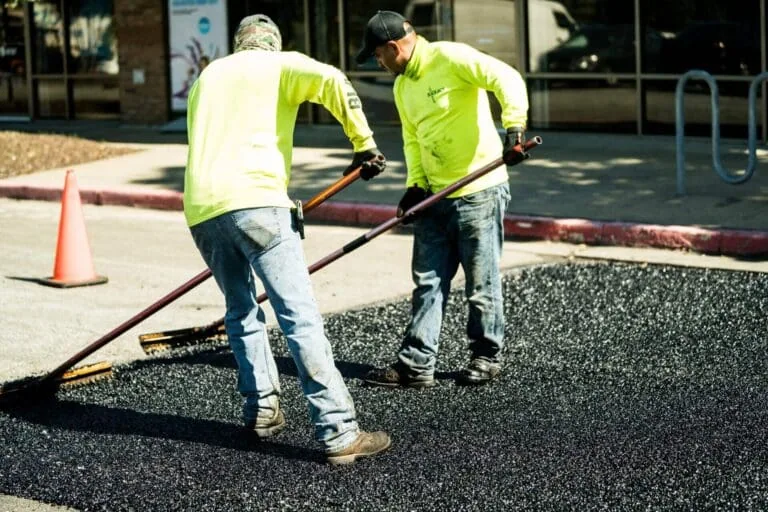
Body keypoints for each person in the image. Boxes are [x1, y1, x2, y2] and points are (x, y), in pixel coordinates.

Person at [184, 14, 391, 465]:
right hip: (258, 202)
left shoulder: (208, 76)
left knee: (241, 310)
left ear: (240, 43)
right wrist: (364, 144)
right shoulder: (279, 64)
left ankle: (261, 410)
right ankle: (338, 432)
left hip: (202, 209)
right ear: (271, 43)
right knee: (298, 316)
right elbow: (335, 81)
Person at [356, 11, 529, 388]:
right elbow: (413, 140)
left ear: (392, 46)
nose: (378, 63)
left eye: (377, 55)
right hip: (436, 195)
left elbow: (507, 77)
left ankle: (486, 355)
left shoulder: (450, 57)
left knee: (481, 284)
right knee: (428, 281)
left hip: (478, 192)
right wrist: (415, 185)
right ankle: (416, 365)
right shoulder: (403, 87)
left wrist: (513, 128)